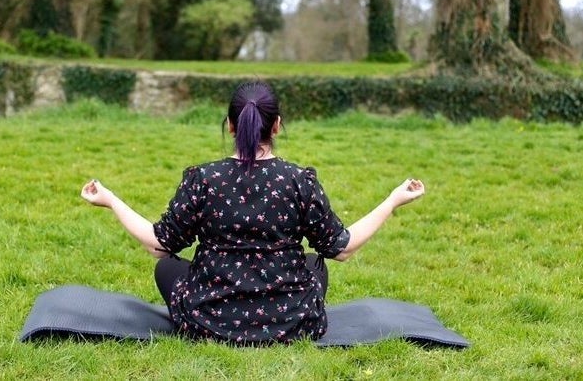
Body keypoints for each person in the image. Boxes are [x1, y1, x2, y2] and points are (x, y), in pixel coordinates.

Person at [81, 81, 425, 345]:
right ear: (276, 126)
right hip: (291, 321)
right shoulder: (298, 180)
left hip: (209, 319)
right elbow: (342, 248)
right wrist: (392, 200)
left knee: (167, 265)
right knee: (312, 263)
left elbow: (160, 244)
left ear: (231, 126)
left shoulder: (204, 179)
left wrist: (111, 200)